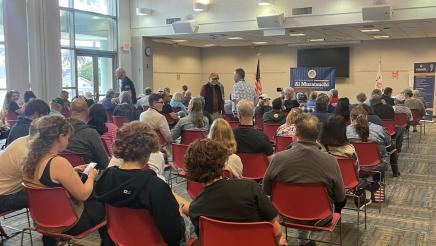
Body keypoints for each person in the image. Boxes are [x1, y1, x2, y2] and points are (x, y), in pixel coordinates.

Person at [173, 139, 286, 246]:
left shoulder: (196, 208)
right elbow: (276, 231)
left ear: (191, 172)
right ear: (222, 162)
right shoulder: (250, 187)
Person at [22, 116, 113, 246]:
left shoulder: (30, 159)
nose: (68, 141)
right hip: (68, 223)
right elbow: (83, 195)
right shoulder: (58, 162)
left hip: (43, 220)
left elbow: (48, 182)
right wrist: (92, 175)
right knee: (107, 205)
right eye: (67, 137)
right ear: (59, 137)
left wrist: (72, 171)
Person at [94, 121, 185, 246]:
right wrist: (177, 212)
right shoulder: (155, 186)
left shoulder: (106, 176)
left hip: (120, 240)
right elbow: (174, 236)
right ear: (148, 151)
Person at [262, 114, 345, 245]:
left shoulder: (279, 158)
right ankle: (305, 240)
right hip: (320, 217)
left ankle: (303, 239)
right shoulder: (330, 161)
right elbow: (340, 196)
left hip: (283, 215)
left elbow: (266, 189)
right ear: (317, 136)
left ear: (296, 133)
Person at [319, 114, 374, 207]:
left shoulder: (317, 147)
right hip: (346, 183)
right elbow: (357, 171)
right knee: (366, 180)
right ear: (343, 131)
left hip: (322, 183)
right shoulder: (349, 150)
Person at [346, 107, 400, 177]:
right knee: (389, 149)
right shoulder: (379, 130)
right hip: (377, 165)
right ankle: (378, 181)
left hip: (353, 165)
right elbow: (389, 145)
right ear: (366, 117)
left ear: (351, 119)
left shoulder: (344, 131)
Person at [65, 98, 109, 169]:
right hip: (87, 176)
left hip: (62, 175)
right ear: (87, 112)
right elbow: (104, 163)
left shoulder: (57, 131)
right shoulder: (91, 133)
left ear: (69, 110)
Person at [0, 136, 30, 213]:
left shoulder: (21, 141)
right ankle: (44, 223)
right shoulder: (26, 153)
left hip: (4, 190)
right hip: (2, 197)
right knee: (40, 197)